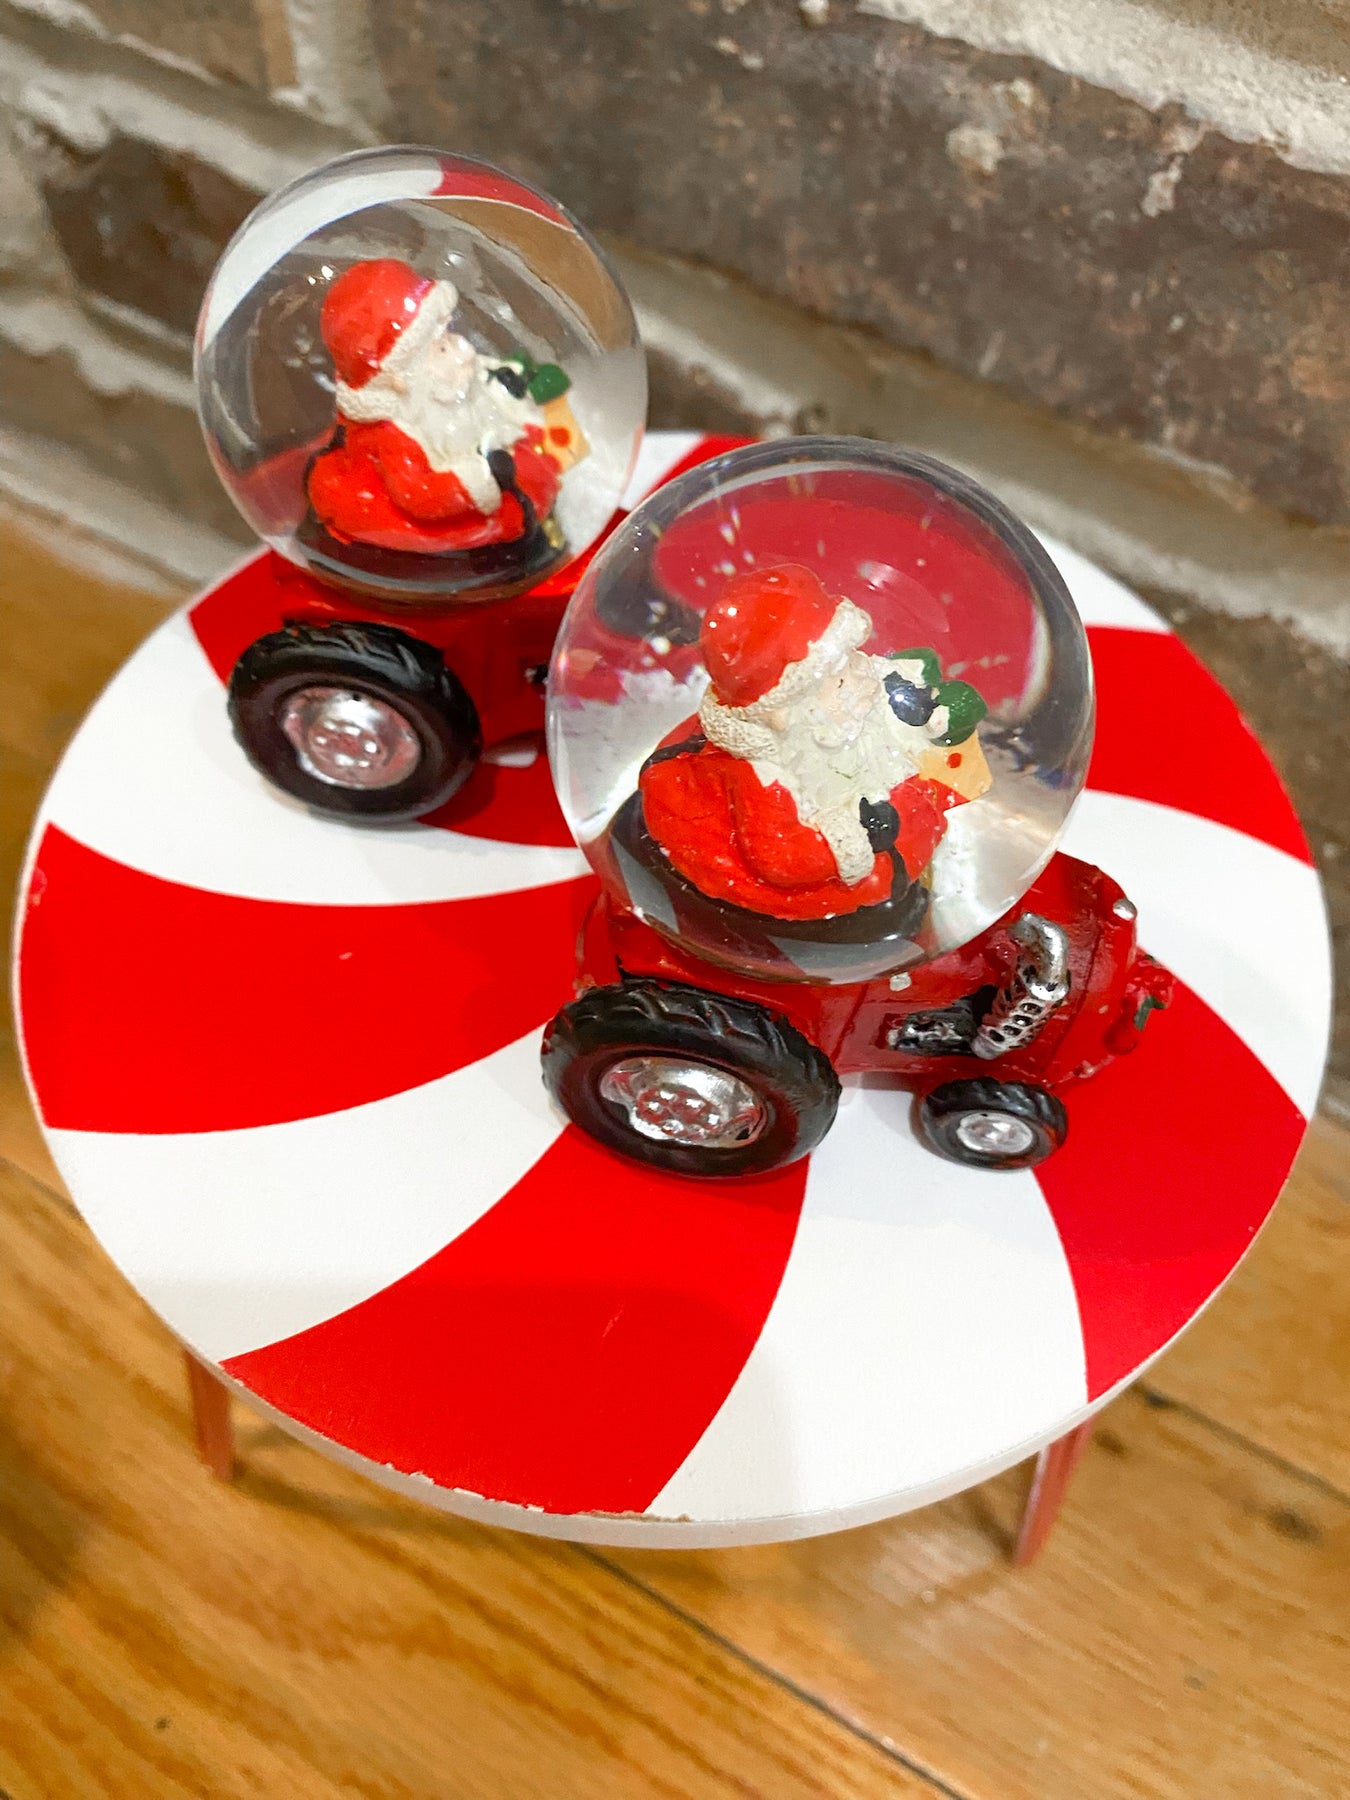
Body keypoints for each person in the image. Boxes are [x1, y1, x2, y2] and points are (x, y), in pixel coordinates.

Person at [638, 563, 990, 921]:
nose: (861, 676)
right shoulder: (768, 776)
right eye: (839, 681)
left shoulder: (848, 708)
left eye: (852, 659)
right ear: (788, 712)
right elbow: (780, 858)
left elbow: (889, 698)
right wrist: (859, 836)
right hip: (841, 854)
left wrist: (918, 710)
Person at [306, 257, 580, 556]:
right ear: (399, 378)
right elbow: (416, 494)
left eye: (449, 334)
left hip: (494, 456)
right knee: (519, 503)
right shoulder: (395, 437)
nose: (466, 351)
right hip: (452, 508)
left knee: (535, 472)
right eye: (441, 347)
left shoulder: (440, 393)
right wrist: (474, 481)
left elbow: (483, 387)